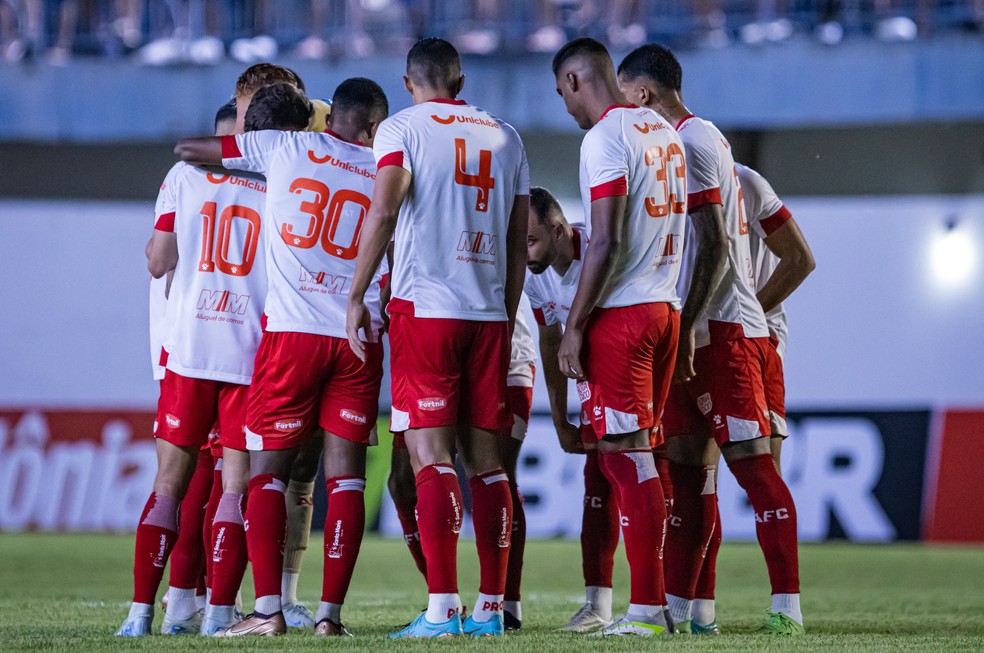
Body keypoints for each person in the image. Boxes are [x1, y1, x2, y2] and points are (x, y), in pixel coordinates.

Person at [176, 78, 391, 637]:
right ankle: (329, 618)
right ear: (371, 127)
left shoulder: (286, 148)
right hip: (356, 335)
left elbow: (190, 151)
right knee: (346, 482)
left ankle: (267, 611)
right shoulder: (386, 168)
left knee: (265, 476)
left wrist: (252, 148)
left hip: (292, 336)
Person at [618, 43, 805, 635]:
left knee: (753, 468)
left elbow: (719, 247)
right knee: (690, 472)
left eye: (626, 99)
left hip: (721, 331)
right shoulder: (693, 144)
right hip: (695, 328)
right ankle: (686, 610)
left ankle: (787, 610)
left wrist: (697, 322)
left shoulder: (695, 141)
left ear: (643, 94)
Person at [345, 37, 529, 638]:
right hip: (489, 313)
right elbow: (516, 233)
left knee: (430, 455)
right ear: (460, 78)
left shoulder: (402, 129)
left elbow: (383, 211)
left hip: (427, 310)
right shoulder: (506, 134)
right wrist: (502, 308)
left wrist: (355, 293)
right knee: (489, 464)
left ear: (408, 82)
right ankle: (492, 610)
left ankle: (442, 608)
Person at [116, 100, 268, 638]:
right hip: (249, 355)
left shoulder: (184, 175)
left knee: (169, 486)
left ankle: (139, 616)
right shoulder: (277, 181)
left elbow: (158, 261)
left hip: (189, 351)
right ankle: (220, 617)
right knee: (234, 488)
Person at [551, 37, 686, 637]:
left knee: (627, 459)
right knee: (633, 457)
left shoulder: (605, 137)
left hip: (625, 316)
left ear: (577, 81)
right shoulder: (663, 131)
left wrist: (575, 324)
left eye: (562, 93)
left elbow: (602, 241)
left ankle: (649, 608)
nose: (565, 106)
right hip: (664, 307)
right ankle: (653, 604)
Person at [386, 311, 537, 631]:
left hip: (453, 329)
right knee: (403, 481)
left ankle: (494, 606)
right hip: (478, 330)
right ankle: (445, 594)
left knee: (485, 468)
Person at [737, 162, 815, 472]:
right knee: (697, 470)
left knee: (763, 469)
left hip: (754, 338)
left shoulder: (743, 181)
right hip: (701, 335)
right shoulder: (665, 180)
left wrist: (747, 319)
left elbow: (799, 259)